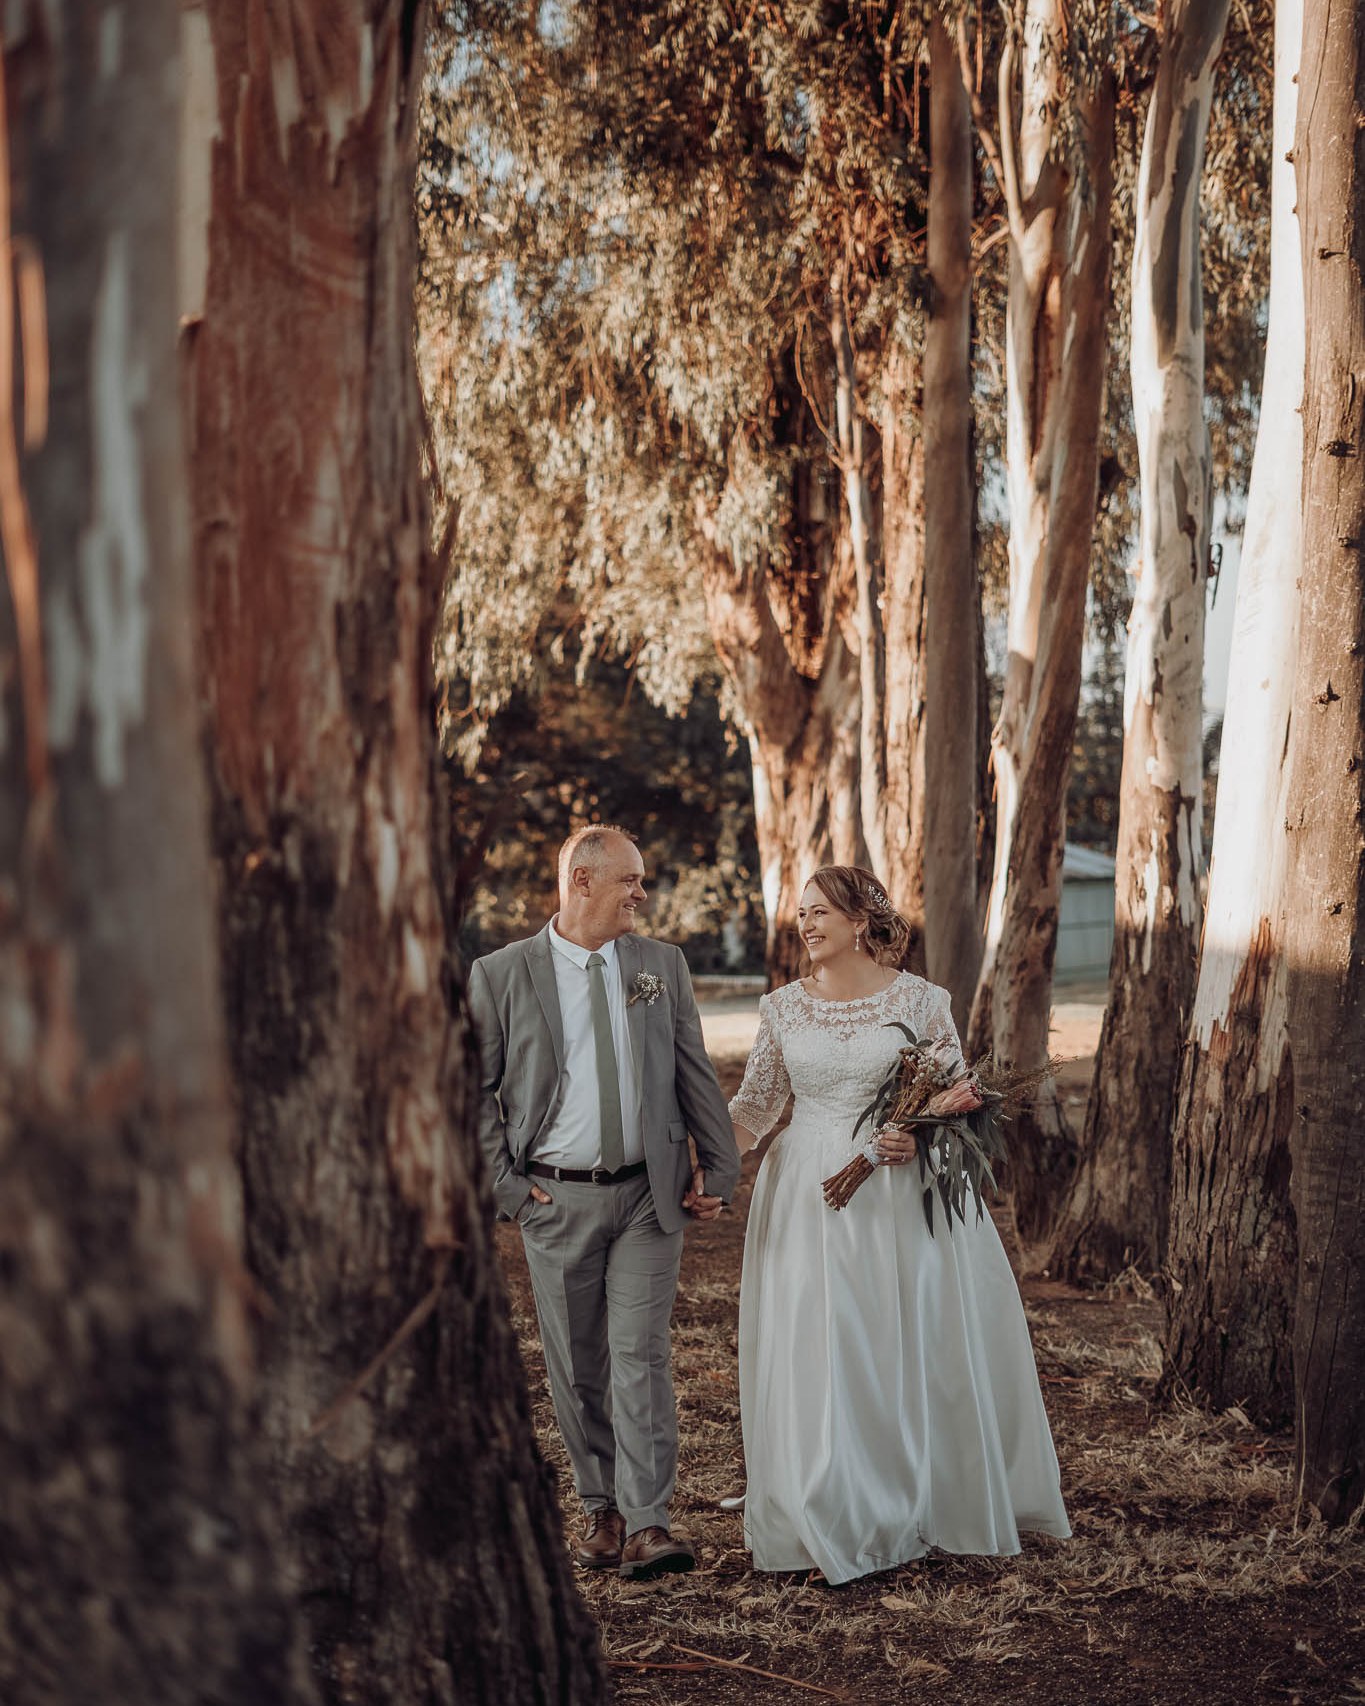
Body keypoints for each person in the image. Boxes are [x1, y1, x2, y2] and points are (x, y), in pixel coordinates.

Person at [728, 865, 1070, 1585]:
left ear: (861, 921)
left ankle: (925, 1492)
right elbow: (755, 1109)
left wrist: (917, 1137)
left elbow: (957, 1098)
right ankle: (828, 1496)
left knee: (901, 1333)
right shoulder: (782, 1007)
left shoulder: (921, 999)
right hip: (806, 1191)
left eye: (820, 911)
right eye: (801, 912)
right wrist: (696, 1164)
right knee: (822, 1339)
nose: (806, 924)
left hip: (899, 1190)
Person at [467, 825, 741, 1580]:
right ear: (581, 882)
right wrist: (510, 1192)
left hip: (648, 1198)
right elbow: (471, 1094)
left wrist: (718, 1167)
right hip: (554, 1201)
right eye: (630, 881)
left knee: (639, 1354)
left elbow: (693, 1069)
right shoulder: (500, 975)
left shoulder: (660, 965)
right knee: (578, 1364)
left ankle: (650, 1522)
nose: (642, 895)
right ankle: (603, 1510)